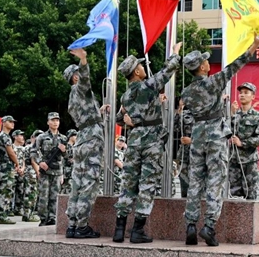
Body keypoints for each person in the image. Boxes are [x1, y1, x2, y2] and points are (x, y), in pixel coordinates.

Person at [181, 32, 259, 247]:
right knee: (215, 180)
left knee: (195, 181)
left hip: (198, 135)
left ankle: (191, 225)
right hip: (215, 134)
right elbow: (236, 65)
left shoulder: (186, 92)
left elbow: (188, 114)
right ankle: (209, 226)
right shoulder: (213, 82)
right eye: (205, 61)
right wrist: (254, 45)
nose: (207, 63)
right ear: (202, 67)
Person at [113, 43, 182, 244]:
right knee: (147, 183)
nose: (143, 68)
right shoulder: (149, 86)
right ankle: (137, 230)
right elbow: (168, 70)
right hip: (152, 140)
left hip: (134, 140)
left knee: (128, 183)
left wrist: (130, 121)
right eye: (141, 66)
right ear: (136, 71)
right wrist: (175, 53)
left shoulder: (126, 96)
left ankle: (119, 230)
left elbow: (119, 119)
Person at [65, 47, 109, 239]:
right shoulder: (79, 88)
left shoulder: (72, 97)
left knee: (77, 183)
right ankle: (82, 226)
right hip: (92, 138)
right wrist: (83, 59)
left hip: (82, 138)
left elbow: (86, 115)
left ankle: (72, 225)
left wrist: (99, 111)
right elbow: (85, 79)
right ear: (75, 77)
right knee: (89, 183)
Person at [229, 82, 259, 200]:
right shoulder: (234, 115)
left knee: (250, 195)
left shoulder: (257, 116)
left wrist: (243, 143)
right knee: (234, 195)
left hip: (250, 161)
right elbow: (224, 131)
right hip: (234, 160)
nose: (242, 95)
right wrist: (231, 114)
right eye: (241, 93)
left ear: (253, 97)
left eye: (246, 93)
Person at [34, 113, 67, 226]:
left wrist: (64, 151)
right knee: (43, 196)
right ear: (48, 122)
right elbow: (33, 151)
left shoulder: (63, 138)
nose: (55, 122)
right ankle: (43, 218)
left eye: (57, 120)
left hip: (57, 171)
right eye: (53, 120)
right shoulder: (41, 137)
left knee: (55, 196)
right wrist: (40, 162)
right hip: (45, 171)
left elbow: (69, 156)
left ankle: (53, 218)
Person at [0, 115, 21, 224]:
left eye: (13, 122)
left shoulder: (4, 136)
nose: (12, 123)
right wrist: (17, 163)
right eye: (10, 122)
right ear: (4, 123)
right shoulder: (5, 136)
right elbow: (11, 152)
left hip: (4, 166)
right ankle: (2, 215)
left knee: (3, 190)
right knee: (5, 191)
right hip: (5, 167)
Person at [174, 101, 194, 198]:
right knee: (184, 181)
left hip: (200, 153)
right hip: (185, 153)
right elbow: (175, 127)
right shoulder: (185, 114)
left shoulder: (207, 114)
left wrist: (192, 141)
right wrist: (179, 109)